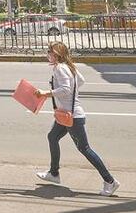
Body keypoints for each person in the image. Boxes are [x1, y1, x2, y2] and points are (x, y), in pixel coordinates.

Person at [34, 41, 119, 197]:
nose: (47, 54)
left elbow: (66, 89)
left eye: (50, 52)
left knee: (84, 148)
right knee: (52, 137)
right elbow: (81, 81)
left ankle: (110, 181)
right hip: (65, 114)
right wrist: (68, 97)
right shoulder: (69, 66)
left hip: (72, 116)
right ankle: (53, 173)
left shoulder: (60, 68)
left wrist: (46, 93)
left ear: (57, 54)